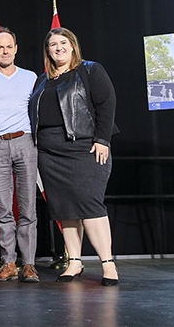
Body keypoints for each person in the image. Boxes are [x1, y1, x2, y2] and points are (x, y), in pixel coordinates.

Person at [29, 27, 119, 286]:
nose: (58, 47)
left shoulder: (89, 70)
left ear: (72, 45)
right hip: (49, 152)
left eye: (62, 42)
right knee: (63, 207)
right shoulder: (41, 80)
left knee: (90, 205)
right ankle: (74, 262)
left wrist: (103, 139)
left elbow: (107, 104)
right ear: (47, 50)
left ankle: (107, 263)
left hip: (84, 148)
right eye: (52, 44)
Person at [0, 27, 39, 282]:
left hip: (24, 142)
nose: (5, 50)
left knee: (28, 208)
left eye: (9, 46)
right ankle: (9, 262)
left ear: (16, 48)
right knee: (3, 209)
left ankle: (29, 264)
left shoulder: (31, 78)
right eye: (0, 47)